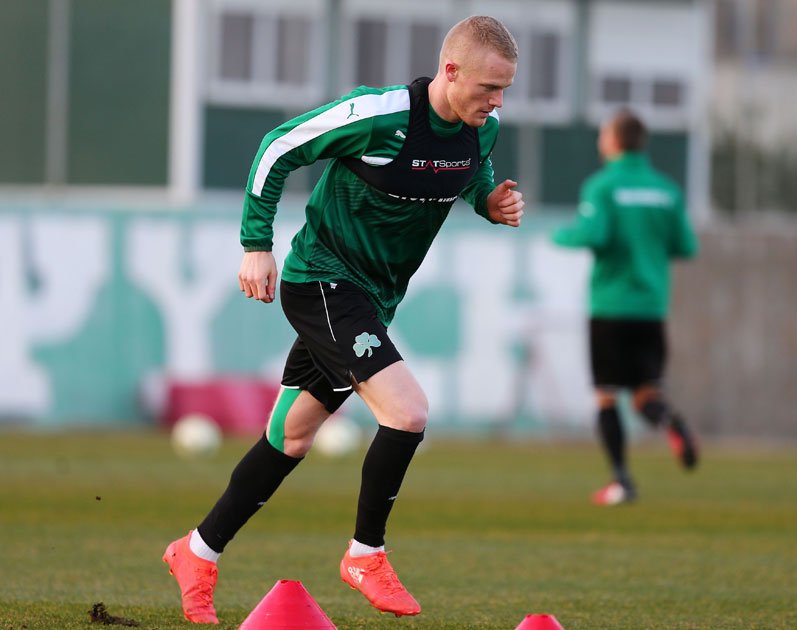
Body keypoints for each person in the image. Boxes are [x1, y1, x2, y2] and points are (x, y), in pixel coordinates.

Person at [163, 15, 523, 624]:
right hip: (322, 282)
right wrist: (256, 245)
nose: (498, 102)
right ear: (450, 70)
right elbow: (278, 147)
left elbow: (471, 173)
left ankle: (196, 552)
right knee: (408, 412)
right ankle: (365, 554)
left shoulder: (480, 129)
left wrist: (490, 202)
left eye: (505, 90)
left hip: (372, 300)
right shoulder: (379, 116)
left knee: (291, 437)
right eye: (489, 87)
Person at [551, 109, 698, 506]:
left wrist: (561, 235)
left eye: (603, 134)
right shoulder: (666, 190)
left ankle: (621, 481)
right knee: (646, 394)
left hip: (611, 306)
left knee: (607, 395)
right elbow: (686, 245)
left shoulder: (602, 186)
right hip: (651, 308)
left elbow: (594, 234)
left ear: (614, 141)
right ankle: (671, 422)